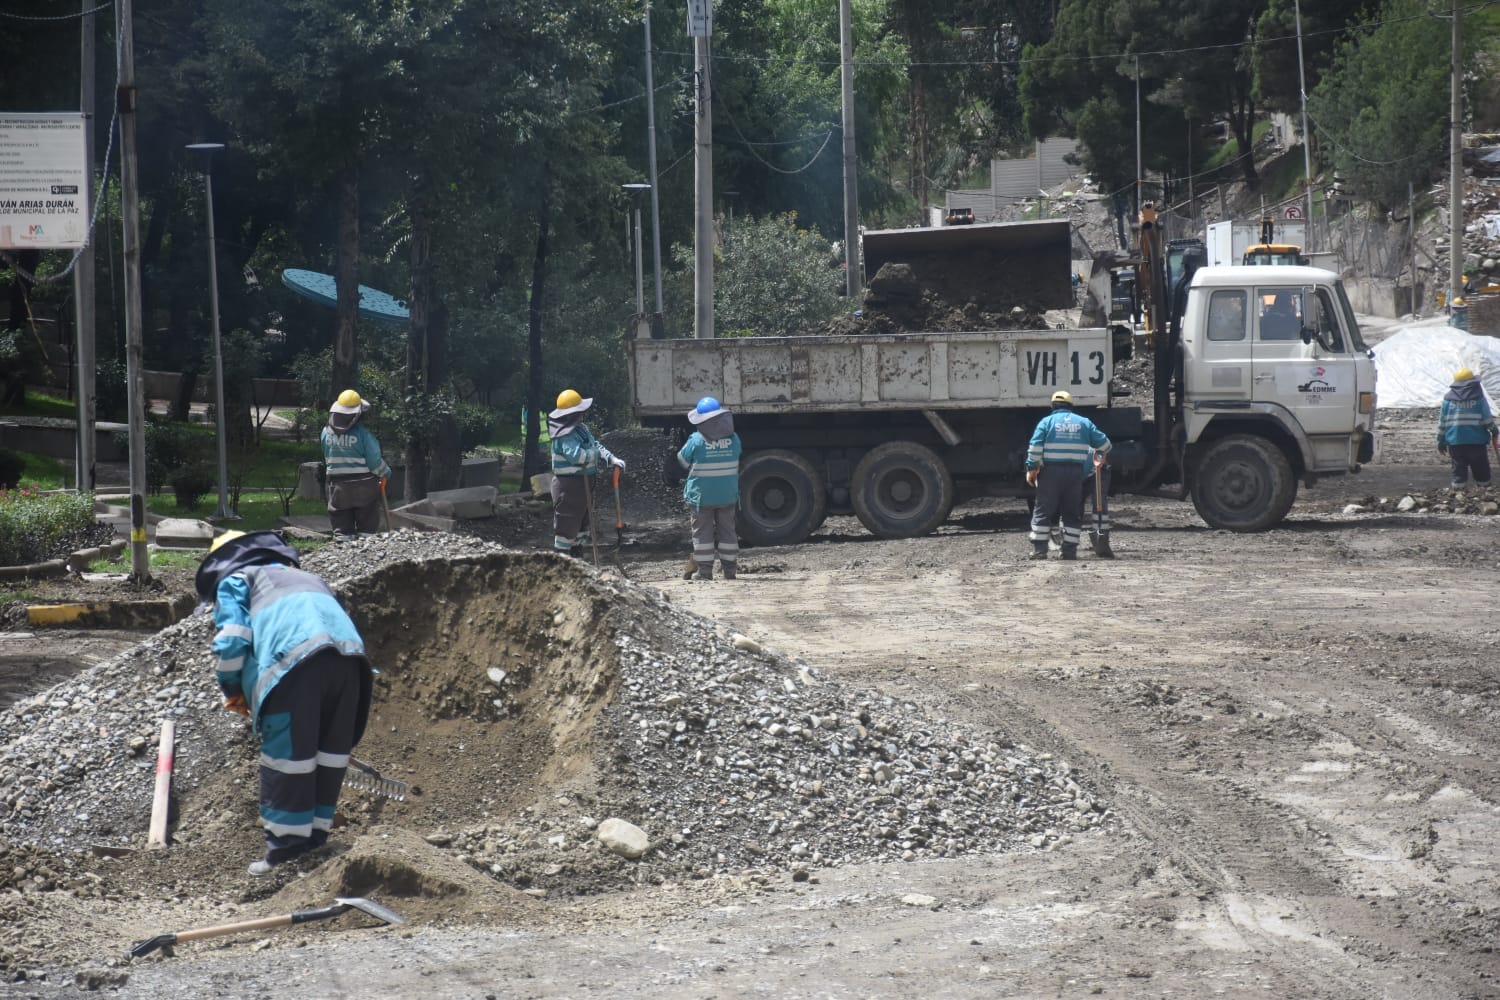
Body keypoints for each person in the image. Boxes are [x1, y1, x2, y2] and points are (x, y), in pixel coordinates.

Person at [195, 530, 374, 877]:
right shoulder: (308, 577)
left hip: (295, 664)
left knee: (289, 759)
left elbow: (231, 642)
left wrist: (232, 689)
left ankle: (286, 853)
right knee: (329, 754)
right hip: (351, 662)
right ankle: (315, 843)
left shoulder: (237, 580)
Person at [1025, 390, 1112, 560]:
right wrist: (1096, 459)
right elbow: (1106, 445)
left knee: (1043, 510)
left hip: (1050, 473)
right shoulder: (1084, 422)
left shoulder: (1046, 422)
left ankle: (1039, 551)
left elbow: (1035, 448)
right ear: (1071, 406)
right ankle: (1069, 552)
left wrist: (1031, 468)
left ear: (1052, 406)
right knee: (1071, 512)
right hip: (1075, 474)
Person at [549, 388, 625, 556]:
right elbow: (577, 456)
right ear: (571, 414)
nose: (583, 414)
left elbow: (594, 445)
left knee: (583, 522)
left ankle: (577, 557)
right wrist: (596, 454)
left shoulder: (581, 428)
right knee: (567, 523)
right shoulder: (564, 435)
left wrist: (610, 458)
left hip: (584, 484)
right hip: (569, 487)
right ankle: (562, 559)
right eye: (580, 411)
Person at [677, 396, 742, 580]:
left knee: (702, 534)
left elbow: (682, 460)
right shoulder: (734, 439)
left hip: (701, 498)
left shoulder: (696, 440)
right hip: (727, 495)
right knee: (728, 532)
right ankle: (730, 571)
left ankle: (705, 572)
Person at [320, 389, 392, 541]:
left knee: (340, 517)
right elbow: (374, 462)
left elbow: (327, 456)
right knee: (368, 516)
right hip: (364, 485)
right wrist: (386, 472)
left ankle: (343, 542)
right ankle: (367, 543)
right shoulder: (364, 435)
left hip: (337, 486)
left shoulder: (326, 433)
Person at [1437, 367, 1498, 487]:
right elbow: (1487, 420)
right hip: (1477, 443)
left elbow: (1442, 423)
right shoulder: (1479, 400)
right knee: (1481, 468)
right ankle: (1484, 489)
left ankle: (1459, 491)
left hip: (1455, 442)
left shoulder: (1447, 401)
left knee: (1458, 469)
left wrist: (1440, 441)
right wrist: (1494, 430)